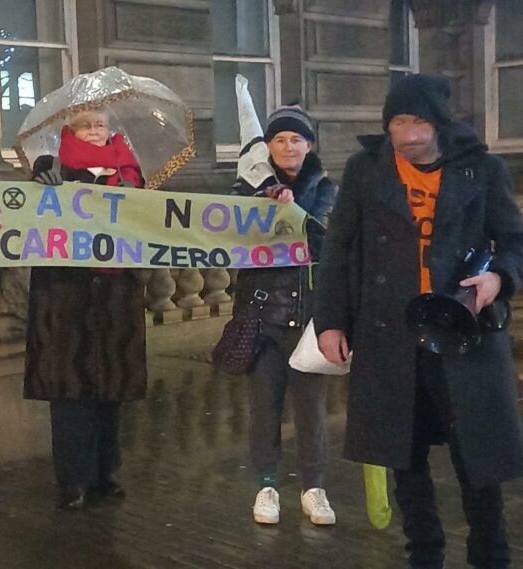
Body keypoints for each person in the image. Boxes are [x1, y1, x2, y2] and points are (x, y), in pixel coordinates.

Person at [315, 74, 523, 569]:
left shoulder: (483, 170)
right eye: (398, 122)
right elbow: (338, 251)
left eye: (419, 122)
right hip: (390, 334)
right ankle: (424, 556)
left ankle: (490, 556)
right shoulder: (365, 171)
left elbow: (519, 245)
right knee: (404, 456)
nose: (409, 134)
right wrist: (329, 322)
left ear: (440, 123)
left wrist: (499, 278)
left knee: (478, 460)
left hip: (465, 332)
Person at [24, 107, 147, 509]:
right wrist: (43, 187)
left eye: (101, 125)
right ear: (70, 130)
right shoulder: (51, 164)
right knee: (70, 391)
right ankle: (72, 479)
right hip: (66, 296)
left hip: (115, 295)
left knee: (110, 389)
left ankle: (104, 474)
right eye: (86, 125)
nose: (95, 131)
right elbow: (28, 218)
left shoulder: (131, 171)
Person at [231, 104, 337, 526]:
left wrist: (292, 208)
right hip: (261, 317)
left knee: (311, 410)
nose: (288, 146)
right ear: (268, 147)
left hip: (310, 318)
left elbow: (324, 235)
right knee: (264, 408)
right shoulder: (245, 189)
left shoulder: (326, 188)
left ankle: (314, 488)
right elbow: (231, 230)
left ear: (308, 145)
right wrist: (263, 201)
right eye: (279, 140)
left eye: (296, 139)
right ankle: (267, 486)